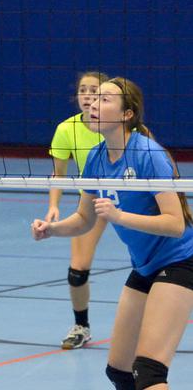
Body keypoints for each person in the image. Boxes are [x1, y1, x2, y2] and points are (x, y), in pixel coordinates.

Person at [32, 77, 193, 390]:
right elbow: (83, 220)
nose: (93, 103)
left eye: (105, 99)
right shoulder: (95, 157)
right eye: (93, 98)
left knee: (149, 373)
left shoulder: (148, 154)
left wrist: (120, 216)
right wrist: (51, 229)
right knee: (119, 371)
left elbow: (175, 224)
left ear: (126, 114)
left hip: (180, 262)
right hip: (145, 266)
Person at [45, 71, 108, 349]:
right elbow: (58, 175)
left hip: (130, 200)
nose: (87, 96)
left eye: (94, 91)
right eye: (83, 90)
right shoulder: (66, 129)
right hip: (92, 201)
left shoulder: (119, 127)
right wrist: (53, 207)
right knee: (77, 271)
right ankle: (81, 326)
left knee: (157, 264)